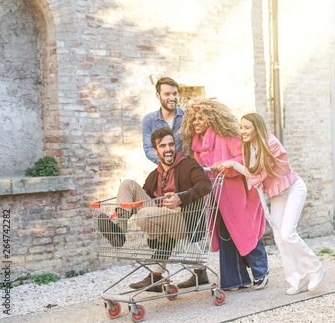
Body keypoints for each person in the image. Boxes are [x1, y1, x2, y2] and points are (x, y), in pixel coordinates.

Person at [221, 113, 325, 295]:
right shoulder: (249, 148)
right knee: (279, 238)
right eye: (241, 127)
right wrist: (232, 163)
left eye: (247, 127)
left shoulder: (271, 144)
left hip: (293, 189)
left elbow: (256, 174)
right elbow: (252, 174)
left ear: (257, 128)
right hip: (277, 195)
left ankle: (315, 268)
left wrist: (232, 164)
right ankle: (298, 279)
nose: (242, 131)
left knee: (288, 234)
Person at [97, 127, 212, 291]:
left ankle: (157, 275)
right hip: (158, 220)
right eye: (163, 146)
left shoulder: (187, 165)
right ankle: (120, 228)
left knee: (144, 214)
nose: (168, 149)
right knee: (127, 184)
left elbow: (206, 184)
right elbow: (143, 198)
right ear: (155, 150)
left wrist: (181, 198)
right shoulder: (154, 175)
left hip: (183, 219)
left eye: (171, 145)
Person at [179, 98, 269, 290]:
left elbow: (244, 159)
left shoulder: (226, 137)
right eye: (193, 119)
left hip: (236, 195)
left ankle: (261, 271)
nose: (196, 122)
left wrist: (227, 165)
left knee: (245, 231)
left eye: (201, 118)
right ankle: (234, 279)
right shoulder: (196, 146)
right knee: (225, 234)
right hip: (215, 196)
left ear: (211, 119)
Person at [142, 77, 185, 164]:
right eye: (167, 94)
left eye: (175, 93)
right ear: (158, 96)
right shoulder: (149, 120)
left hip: (186, 168)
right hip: (164, 169)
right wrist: (167, 164)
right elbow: (148, 149)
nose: (172, 98)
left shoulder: (187, 116)